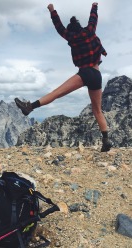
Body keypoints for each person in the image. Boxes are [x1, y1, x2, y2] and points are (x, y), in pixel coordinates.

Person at [15, 2, 112, 152]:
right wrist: (95, 6)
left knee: (56, 93)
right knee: (97, 110)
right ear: (80, 26)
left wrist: (52, 10)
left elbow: (58, 26)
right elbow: (93, 18)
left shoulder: (71, 37)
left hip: (84, 73)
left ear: (71, 30)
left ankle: (29, 107)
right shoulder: (90, 31)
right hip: (96, 75)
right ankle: (106, 141)